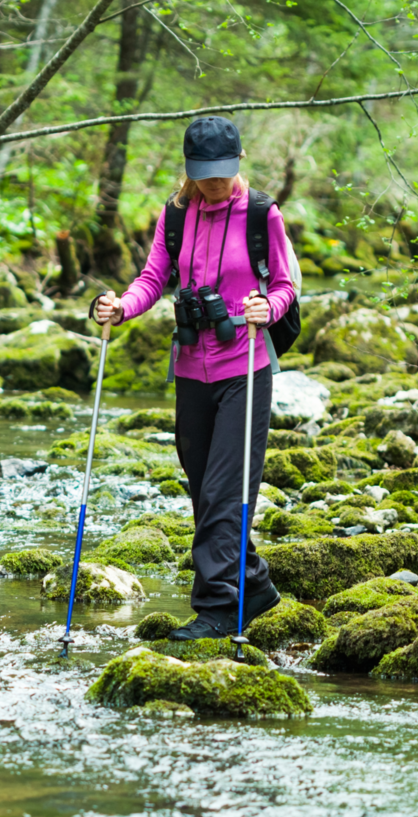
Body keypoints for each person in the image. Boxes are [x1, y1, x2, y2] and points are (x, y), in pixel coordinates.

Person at [92, 116, 297, 641]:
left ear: (238, 162)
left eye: (223, 171)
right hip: (190, 367)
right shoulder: (176, 214)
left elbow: (285, 286)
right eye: (205, 172)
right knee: (205, 493)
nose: (215, 182)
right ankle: (256, 586)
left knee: (226, 493)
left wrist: (264, 310)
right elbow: (154, 278)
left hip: (244, 368)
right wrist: (120, 307)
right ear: (188, 169)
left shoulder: (260, 213)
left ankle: (217, 608)